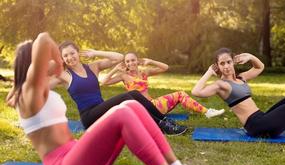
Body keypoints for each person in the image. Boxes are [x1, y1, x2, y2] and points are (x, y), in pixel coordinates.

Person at [6, 32, 215, 165]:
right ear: (30, 66)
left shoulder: (38, 90)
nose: (53, 62)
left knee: (131, 105)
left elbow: (45, 52)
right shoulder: (28, 94)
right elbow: (43, 39)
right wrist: (58, 61)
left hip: (78, 157)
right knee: (124, 109)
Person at [50, 41, 187, 135]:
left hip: (102, 110)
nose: (70, 57)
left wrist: (96, 52)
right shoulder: (64, 75)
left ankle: (165, 120)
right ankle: (161, 126)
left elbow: (119, 57)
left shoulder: (93, 66)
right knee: (125, 97)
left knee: (134, 93)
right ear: (62, 59)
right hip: (89, 117)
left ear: (78, 53)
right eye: (65, 55)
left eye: (72, 53)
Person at [192, 47, 285, 138]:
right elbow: (196, 92)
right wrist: (209, 71)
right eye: (222, 63)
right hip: (257, 126)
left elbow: (260, 67)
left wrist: (250, 57)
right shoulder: (221, 85)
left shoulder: (241, 78)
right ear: (217, 65)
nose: (226, 66)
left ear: (233, 61)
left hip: (263, 118)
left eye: (228, 62)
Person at [101, 52, 225, 118]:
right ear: (125, 64)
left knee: (180, 94)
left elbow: (165, 67)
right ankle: (207, 112)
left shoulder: (145, 72)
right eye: (127, 61)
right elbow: (104, 82)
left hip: (152, 105)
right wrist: (115, 69)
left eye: (133, 60)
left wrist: (151, 61)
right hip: (141, 109)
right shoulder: (123, 76)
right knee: (180, 94)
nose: (131, 63)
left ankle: (207, 112)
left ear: (137, 61)